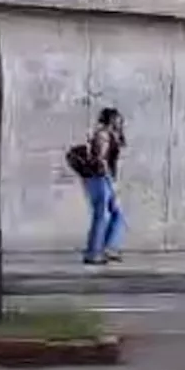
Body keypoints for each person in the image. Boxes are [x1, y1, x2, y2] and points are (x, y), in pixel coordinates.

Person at [82, 107, 126, 265]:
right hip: (99, 178)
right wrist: (110, 181)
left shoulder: (109, 134)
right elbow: (101, 160)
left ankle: (107, 248)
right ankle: (94, 253)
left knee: (116, 214)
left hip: (100, 178)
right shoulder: (102, 135)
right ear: (111, 119)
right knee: (102, 215)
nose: (120, 122)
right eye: (117, 119)